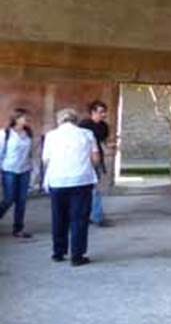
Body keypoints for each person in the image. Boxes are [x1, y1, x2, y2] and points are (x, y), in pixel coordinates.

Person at [42, 108, 99, 267]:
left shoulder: (51, 136)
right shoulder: (87, 134)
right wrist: (87, 168)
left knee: (58, 217)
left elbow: (46, 160)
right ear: (76, 120)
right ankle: (77, 255)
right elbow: (95, 157)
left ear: (59, 120)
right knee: (79, 218)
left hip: (58, 181)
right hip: (81, 180)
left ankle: (58, 252)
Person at [0, 108, 35, 238]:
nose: (27, 120)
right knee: (9, 199)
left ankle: (18, 228)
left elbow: (31, 154)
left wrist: (33, 169)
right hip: (9, 170)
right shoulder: (5, 134)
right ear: (16, 119)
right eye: (24, 118)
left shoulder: (28, 133)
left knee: (22, 200)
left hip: (24, 170)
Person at [79, 100, 112, 227]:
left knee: (93, 189)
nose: (104, 114)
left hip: (97, 159)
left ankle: (94, 216)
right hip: (84, 160)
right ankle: (94, 216)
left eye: (104, 112)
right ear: (93, 112)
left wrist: (110, 146)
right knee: (89, 190)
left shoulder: (104, 126)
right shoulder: (84, 125)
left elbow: (104, 142)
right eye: (101, 112)